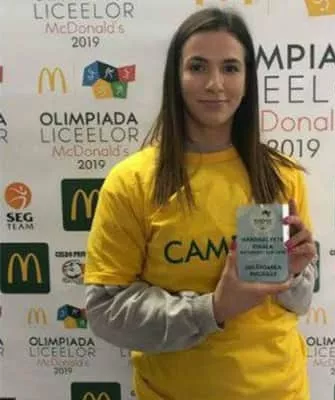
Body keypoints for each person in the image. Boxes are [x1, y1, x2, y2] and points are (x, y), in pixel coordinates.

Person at [84, 7, 317, 400]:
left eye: (230, 68)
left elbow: (301, 301)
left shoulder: (282, 175)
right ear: (175, 77)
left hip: (282, 390)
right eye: (197, 67)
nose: (215, 84)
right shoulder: (131, 182)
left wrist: (294, 276)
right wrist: (213, 309)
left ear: (247, 79)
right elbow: (106, 312)